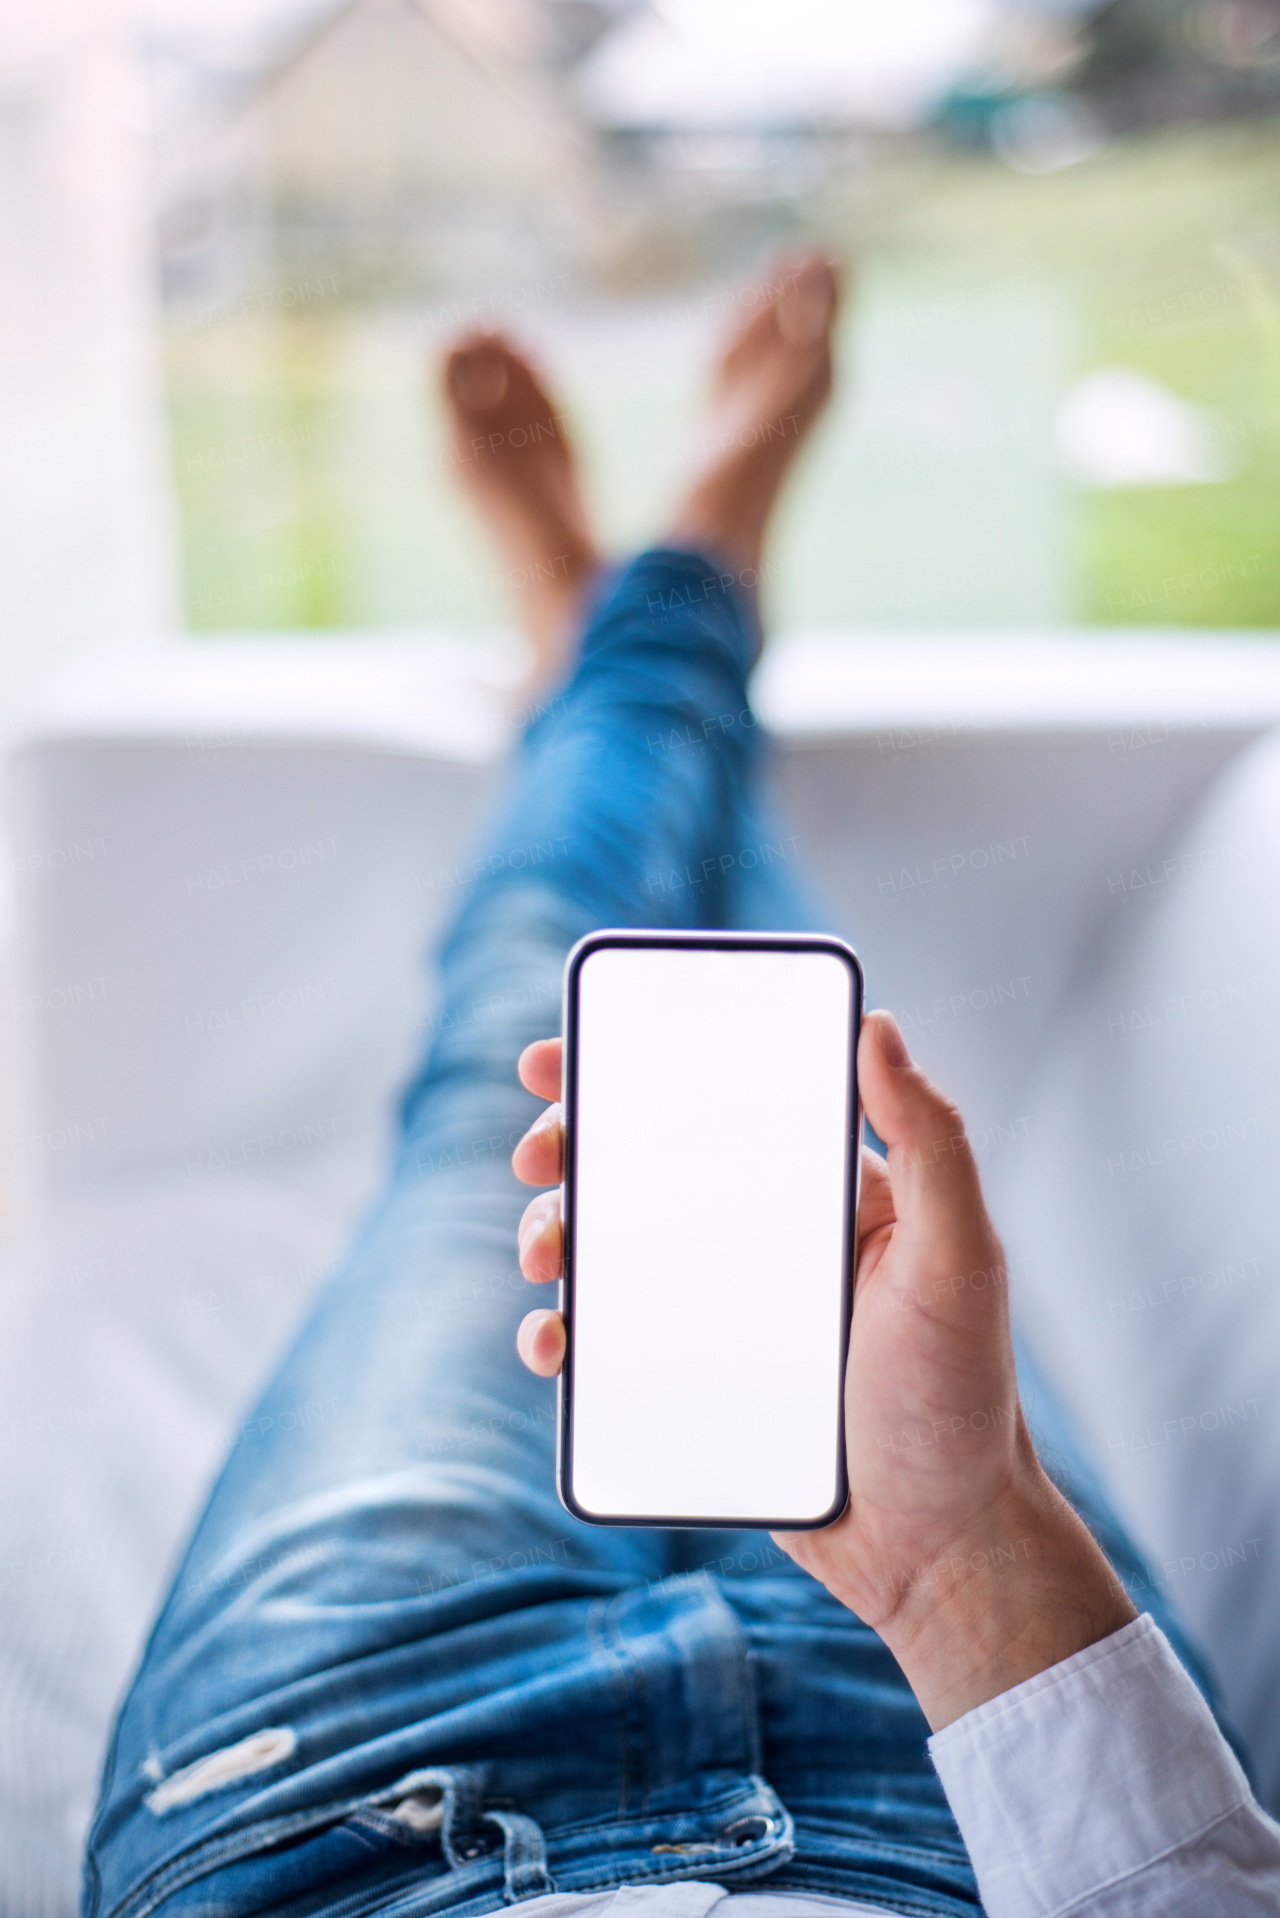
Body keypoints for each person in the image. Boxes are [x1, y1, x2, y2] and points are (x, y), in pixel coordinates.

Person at [83, 257, 1280, 1918]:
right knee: (777, 1027)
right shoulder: (970, 1582)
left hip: (370, 1811)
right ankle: (663, 604)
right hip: (971, 1761)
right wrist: (966, 1554)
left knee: (515, 1038)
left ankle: (636, 620)